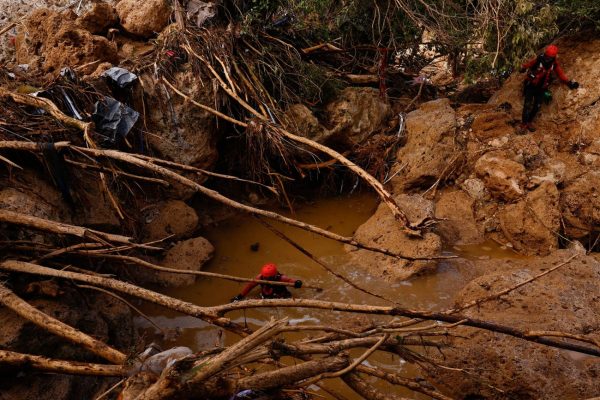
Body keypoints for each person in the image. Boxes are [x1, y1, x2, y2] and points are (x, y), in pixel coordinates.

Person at [519, 44, 579, 132]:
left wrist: (569, 83)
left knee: (537, 106)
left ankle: (529, 122)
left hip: (541, 88)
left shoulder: (554, 64)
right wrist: (523, 68)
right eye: (547, 56)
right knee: (527, 105)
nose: (547, 59)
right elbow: (530, 63)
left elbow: (560, 74)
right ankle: (523, 124)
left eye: (549, 57)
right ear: (545, 54)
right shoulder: (539, 59)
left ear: (553, 57)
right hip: (531, 86)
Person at [231, 263, 302, 301]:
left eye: (269, 278)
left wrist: (297, 283)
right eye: (265, 277)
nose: (266, 280)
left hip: (281, 297)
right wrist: (239, 296)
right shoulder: (260, 277)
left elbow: (290, 281)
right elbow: (249, 286)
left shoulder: (281, 278)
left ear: (274, 275)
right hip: (265, 296)